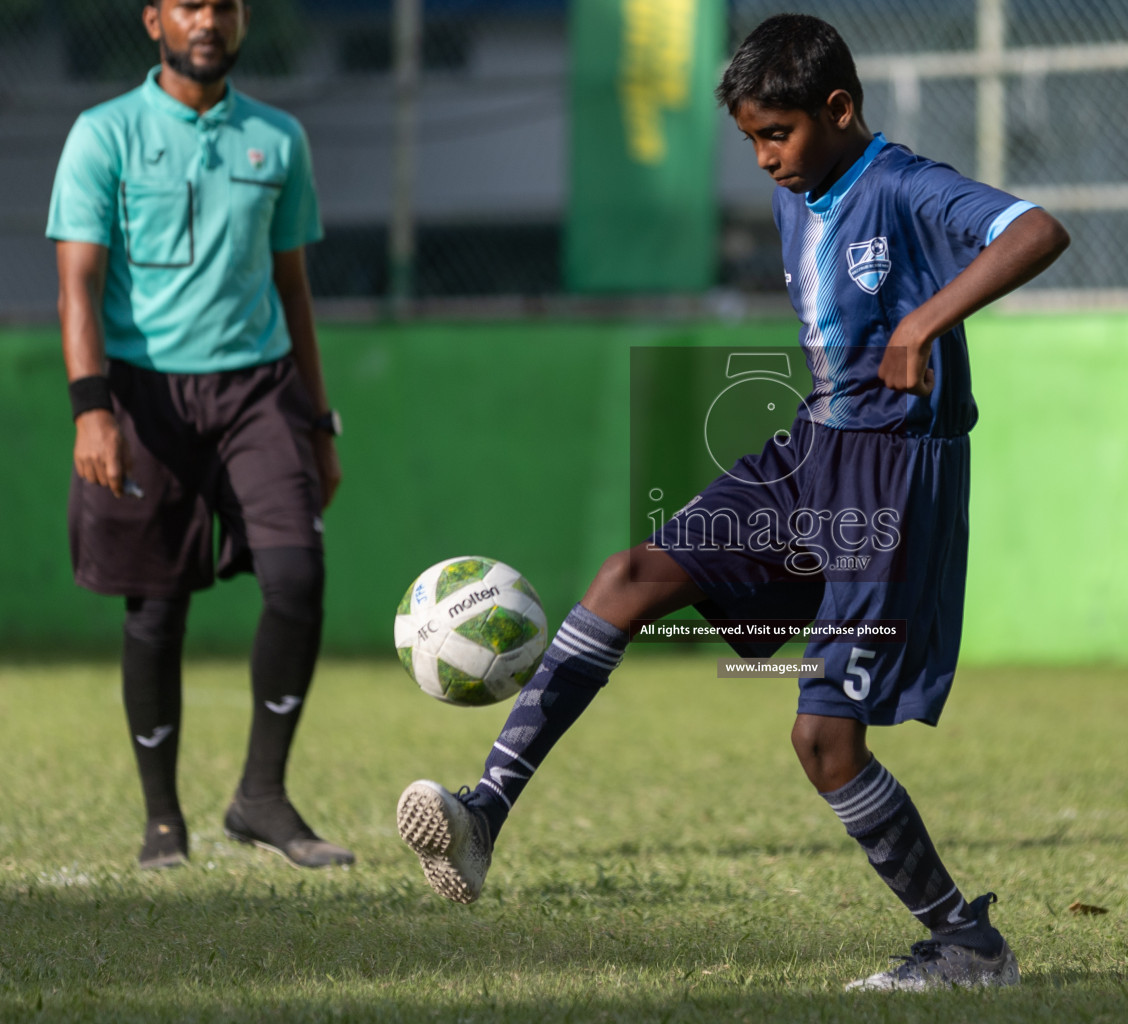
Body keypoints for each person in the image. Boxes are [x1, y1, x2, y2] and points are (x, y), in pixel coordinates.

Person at [396, 13, 1068, 991]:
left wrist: (927, 320)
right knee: (627, 578)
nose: (763, 160)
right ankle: (485, 813)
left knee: (824, 740)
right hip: (812, 450)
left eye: (778, 135)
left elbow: (1038, 230)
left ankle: (968, 943)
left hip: (891, 476)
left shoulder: (903, 184)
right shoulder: (803, 183)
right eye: (750, 139)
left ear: (840, 110)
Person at [48, 0, 352, 871]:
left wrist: (321, 424)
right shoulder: (102, 134)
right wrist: (92, 407)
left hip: (260, 390)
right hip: (142, 396)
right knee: (156, 607)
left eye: (222, 5)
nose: (206, 20)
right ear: (154, 21)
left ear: (241, 20)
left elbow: (294, 290)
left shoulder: (280, 138)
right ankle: (162, 823)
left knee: (297, 576)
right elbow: (77, 285)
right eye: (188, 5)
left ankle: (262, 798)